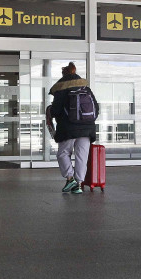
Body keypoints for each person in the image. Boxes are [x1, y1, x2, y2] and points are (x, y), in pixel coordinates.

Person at [48, 62, 99, 194]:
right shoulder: (85, 88)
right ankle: (79, 184)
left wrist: (50, 110)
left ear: (64, 73)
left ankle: (70, 178)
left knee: (63, 153)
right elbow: (96, 109)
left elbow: (56, 110)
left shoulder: (61, 88)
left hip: (68, 128)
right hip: (87, 129)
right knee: (82, 156)